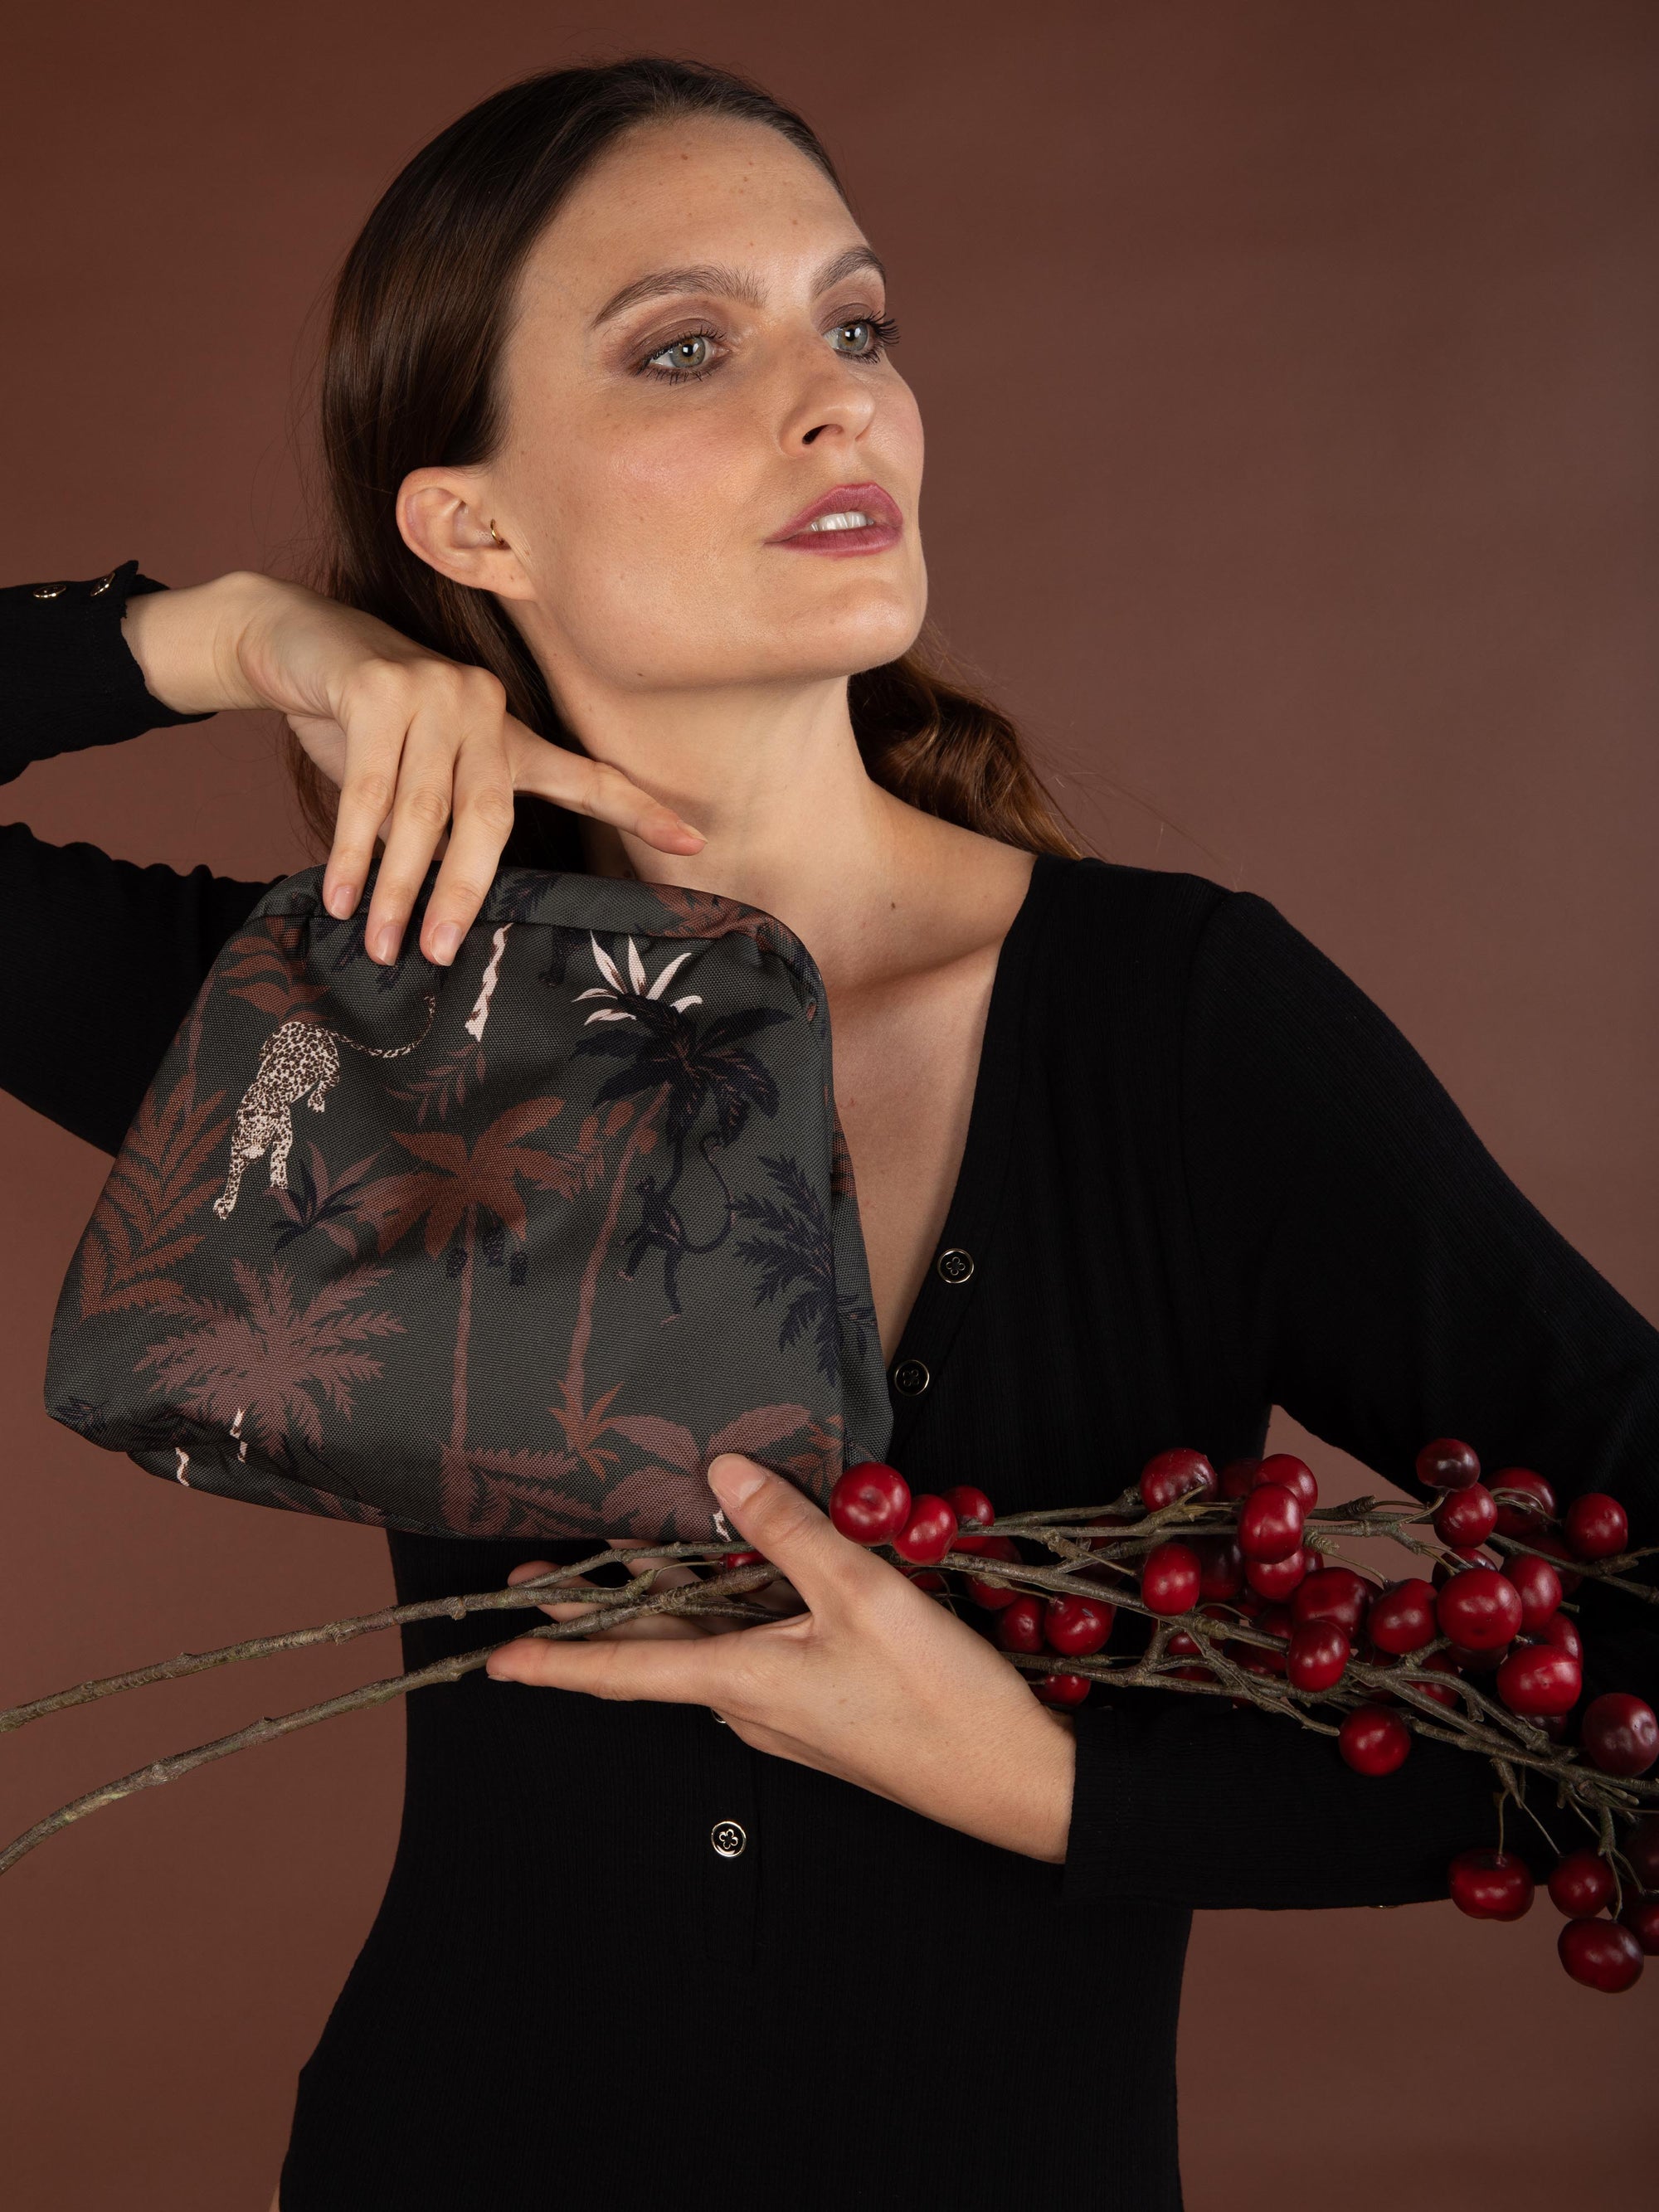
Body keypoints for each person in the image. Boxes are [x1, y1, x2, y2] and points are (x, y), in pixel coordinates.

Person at [4, 56, 1656, 2212]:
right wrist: (223, 633)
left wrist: (1063, 1791)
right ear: (473, 524)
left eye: (856, 324)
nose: (837, 402)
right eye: (690, 348)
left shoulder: (1178, 1029)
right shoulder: (347, 1024)